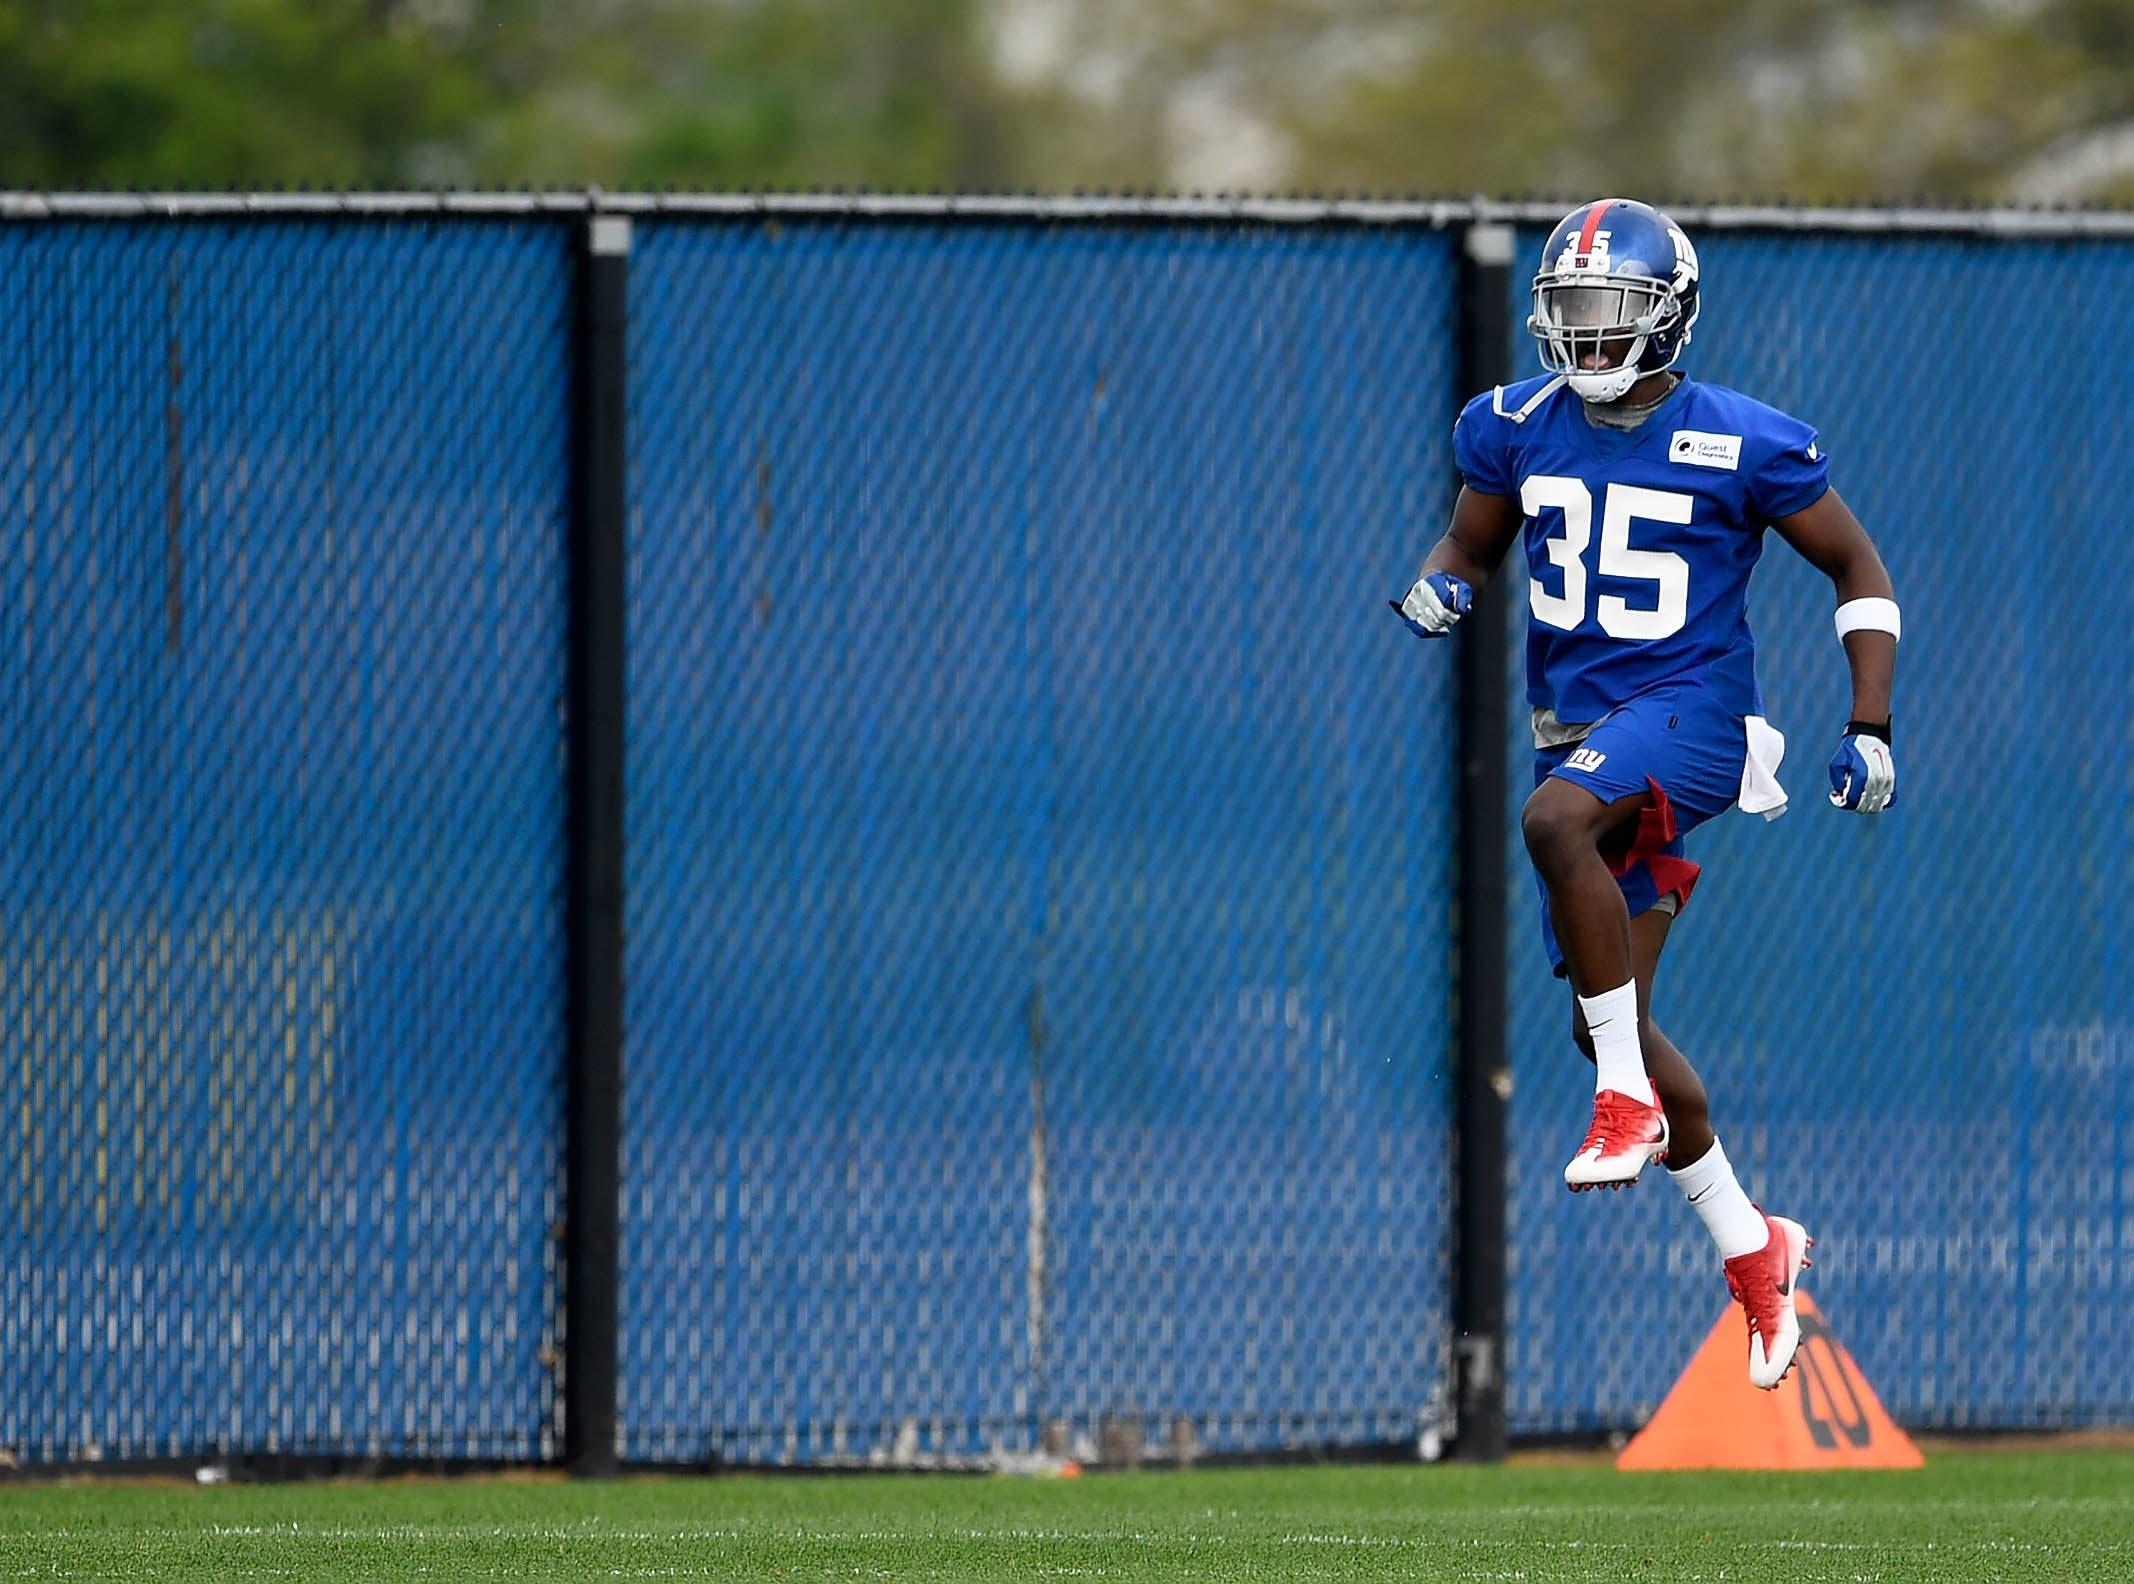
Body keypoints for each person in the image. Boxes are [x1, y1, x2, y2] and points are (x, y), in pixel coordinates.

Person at [1394, 198, 1900, 1390]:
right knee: (1596, 1015)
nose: (1585, 336)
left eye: (1609, 311)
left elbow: (1854, 563)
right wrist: (1441, 586)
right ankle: (1753, 1244)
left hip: (1692, 721)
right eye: (1567, 312)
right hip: (1581, 733)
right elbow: (1465, 546)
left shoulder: (1743, 438)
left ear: (1667, 316)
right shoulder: (1512, 424)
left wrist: (1868, 722)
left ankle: (1623, 1101)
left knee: (1550, 824)